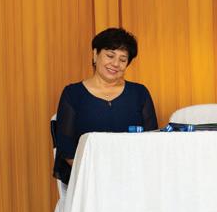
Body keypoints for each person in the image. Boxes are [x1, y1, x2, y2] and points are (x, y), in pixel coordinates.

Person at [53, 28, 159, 185]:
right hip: (89, 180)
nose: (115, 64)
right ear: (95, 54)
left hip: (133, 178)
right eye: (110, 55)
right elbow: (67, 150)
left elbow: (152, 141)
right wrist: (101, 178)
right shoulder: (72, 94)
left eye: (123, 59)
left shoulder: (139, 93)